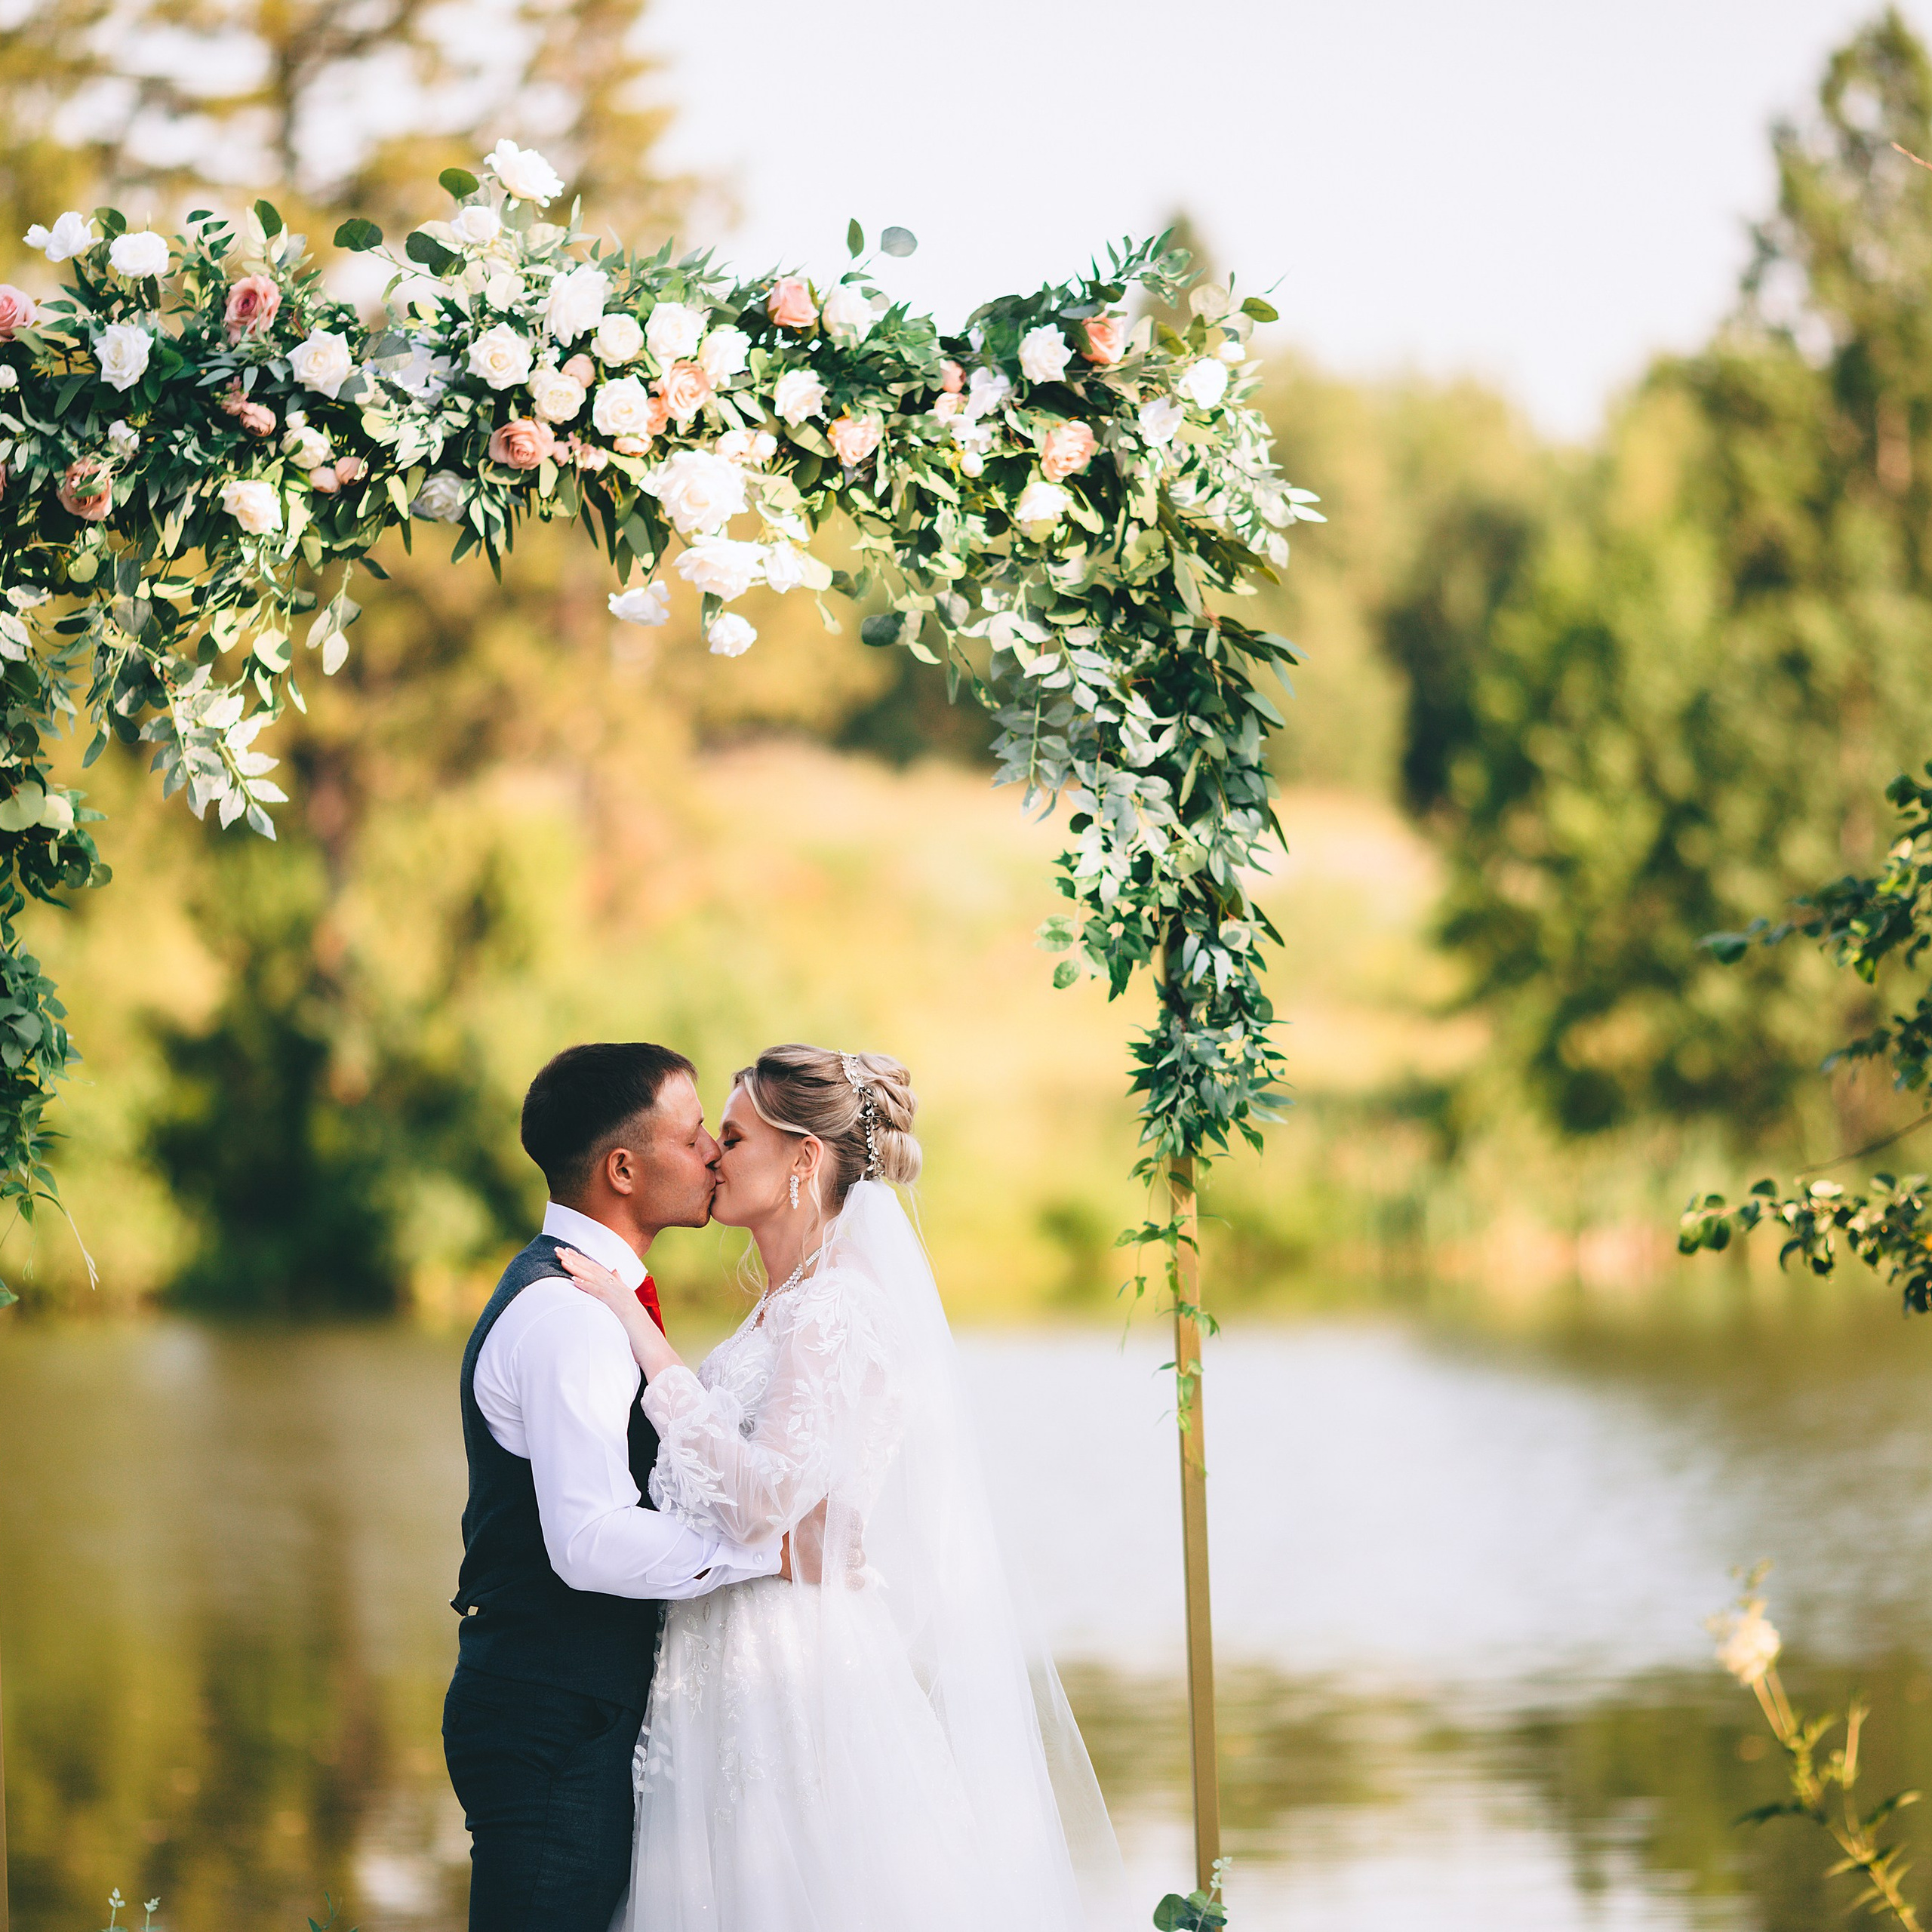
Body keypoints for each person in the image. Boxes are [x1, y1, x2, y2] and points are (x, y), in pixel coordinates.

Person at [558, 1043, 1128, 1931]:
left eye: (734, 1136)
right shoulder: (785, 1303)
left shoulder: (836, 1305)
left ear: (802, 1159)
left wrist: (642, 1336)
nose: (713, 1153)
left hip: (788, 1669)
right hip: (723, 1658)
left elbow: (765, 1497)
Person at [442, 1042, 788, 1932]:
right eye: (693, 1134)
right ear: (623, 1169)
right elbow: (589, 1539)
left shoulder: (599, 1301)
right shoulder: (568, 1318)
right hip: (548, 1712)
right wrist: (761, 1550)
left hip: (570, 1704)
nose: (714, 1150)